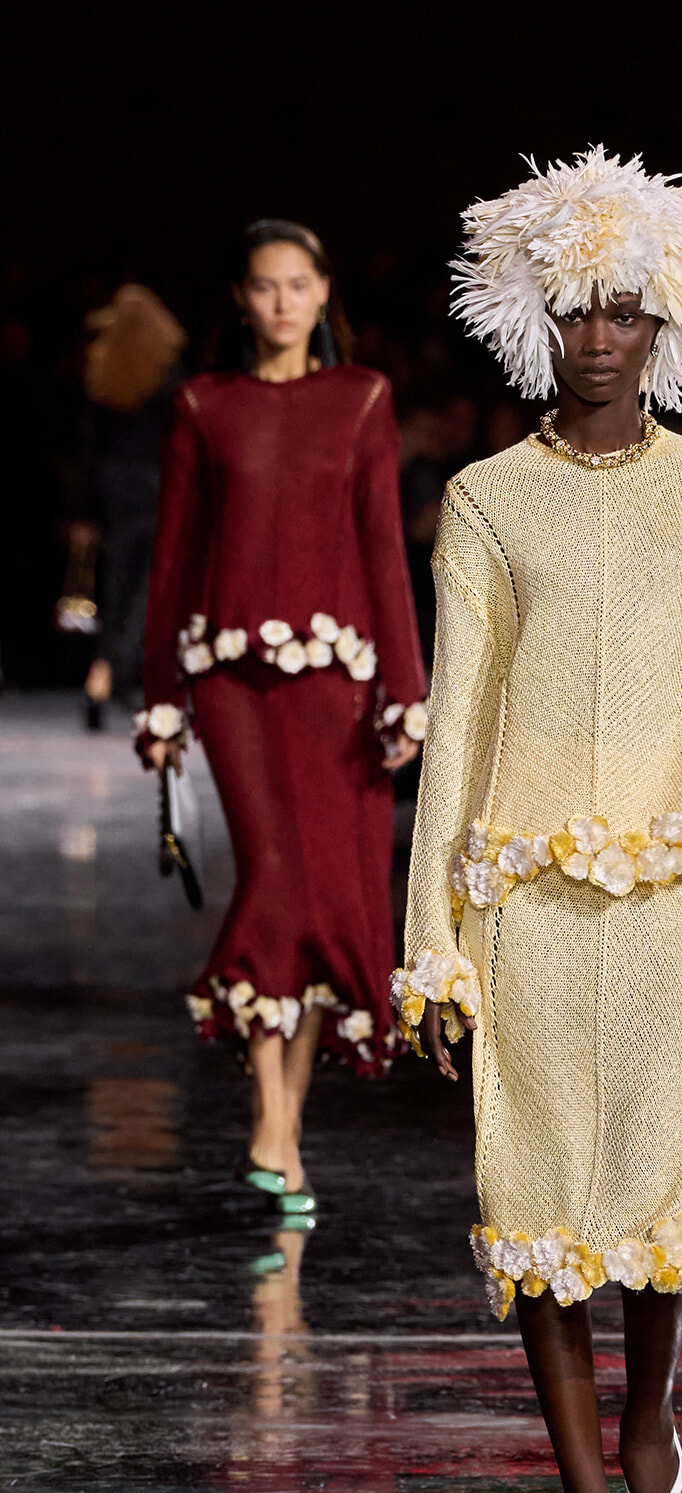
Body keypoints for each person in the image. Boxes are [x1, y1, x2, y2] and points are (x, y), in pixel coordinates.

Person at [393, 150, 682, 1493]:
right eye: (572, 309)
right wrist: (428, 943)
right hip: (524, 898)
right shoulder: (487, 501)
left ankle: (650, 1431)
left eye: (624, 312)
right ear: (530, 316)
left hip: (672, 905)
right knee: (536, 1204)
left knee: (655, 1193)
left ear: (666, 324)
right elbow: (462, 716)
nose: (596, 338)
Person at [138, 219, 426, 1206]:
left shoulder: (362, 398)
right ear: (240, 296)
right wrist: (158, 700)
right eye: (263, 285)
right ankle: (270, 1112)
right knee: (273, 872)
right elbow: (170, 560)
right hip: (228, 679)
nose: (280, 302)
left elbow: (384, 546)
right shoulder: (203, 405)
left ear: (322, 291)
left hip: (340, 679)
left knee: (332, 902)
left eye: (297, 284)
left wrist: (410, 689)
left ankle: (285, 1123)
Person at [71, 285, 186, 728]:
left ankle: (105, 672)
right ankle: (110, 672)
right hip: (159, 486)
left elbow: (91, 450)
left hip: (116, 489)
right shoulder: (168, 372)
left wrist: (85, 511)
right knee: (149, 587)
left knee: (121, 584)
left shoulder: (102, 373)